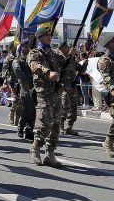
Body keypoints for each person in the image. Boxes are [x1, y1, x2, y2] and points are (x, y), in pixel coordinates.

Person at [26, 27, 65, 167]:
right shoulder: (34, 53)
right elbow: (34, 65)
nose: (50, 37)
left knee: (56, 125)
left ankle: (50, 154)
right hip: (44, 93)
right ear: (40, 37)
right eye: (47, 35)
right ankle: (36, 147)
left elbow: (65, 64)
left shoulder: (55, 53)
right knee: (45, 124)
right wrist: (48, 72)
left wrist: (71, 56)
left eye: (50, 34)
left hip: (56, 93)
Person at [58, 41, 86, 136]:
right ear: (62, 49)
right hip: (63, 86)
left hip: (72, 86)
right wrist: (70, 56)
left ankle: (70, 127)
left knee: (74, 107)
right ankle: (60, 126)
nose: (69, 49)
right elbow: (62, 66)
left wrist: (85, 64)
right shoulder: (59, 58)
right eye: (66, 47)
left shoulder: (73, 59)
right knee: (64, 106)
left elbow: (80, 69)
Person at [13, 39, 35, 140]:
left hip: (34, 87)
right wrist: (25, 82)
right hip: (24, 87)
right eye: (25, 46)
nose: (27, 48)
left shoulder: (32, 60)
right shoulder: (17, 60)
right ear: (21, 48)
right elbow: (18, 71)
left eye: (28, 46)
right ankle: (21, 126)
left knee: (33, 110)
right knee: (28, 108)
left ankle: (29, 130)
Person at [1, 46, 18, 124]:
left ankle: (18, 117)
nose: (15, 48)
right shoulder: (8, 58)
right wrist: (6, 81)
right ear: (11, 49)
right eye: (13, 47)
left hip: (22, 81)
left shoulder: (21, 55)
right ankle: (12, 113)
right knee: (16, 99)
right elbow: (4, 70)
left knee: (22, 100)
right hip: (14, 81)